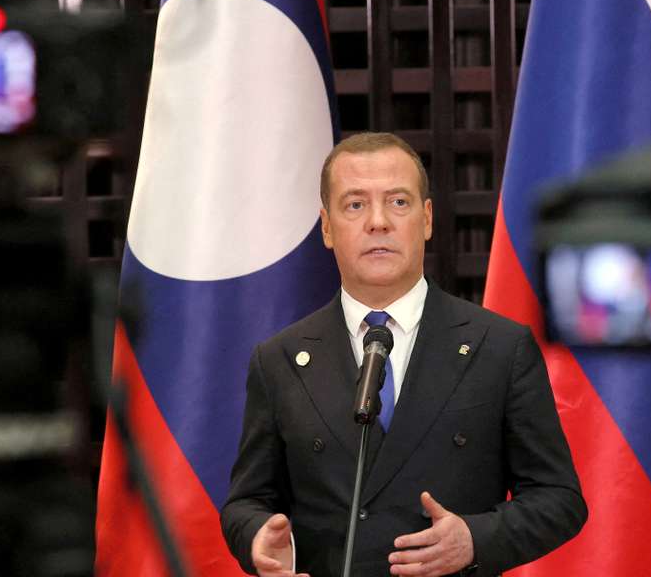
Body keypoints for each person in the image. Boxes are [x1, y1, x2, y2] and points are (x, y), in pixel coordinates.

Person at [221, 132, 586, 577]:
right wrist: (258, 536)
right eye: (355, 205)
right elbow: (248, 501)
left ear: (427, 218)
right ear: (327, 227)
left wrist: (475, 539)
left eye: (398, 202)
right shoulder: (280, 358)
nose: (378, 222)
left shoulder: (500, 347)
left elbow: (559, 499)